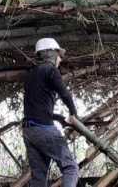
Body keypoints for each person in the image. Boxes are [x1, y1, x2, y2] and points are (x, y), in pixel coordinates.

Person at [22, 38, 79, 187]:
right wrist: (74, 114)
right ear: (50, 54)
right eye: (58, 54)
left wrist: (59, 118)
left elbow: (36, 108)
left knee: (38, 179)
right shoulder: (50, 70)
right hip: (43, 129)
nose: (60, 59)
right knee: (71, 168)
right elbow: (65, 94)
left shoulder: (31, 75)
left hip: (29, 131)